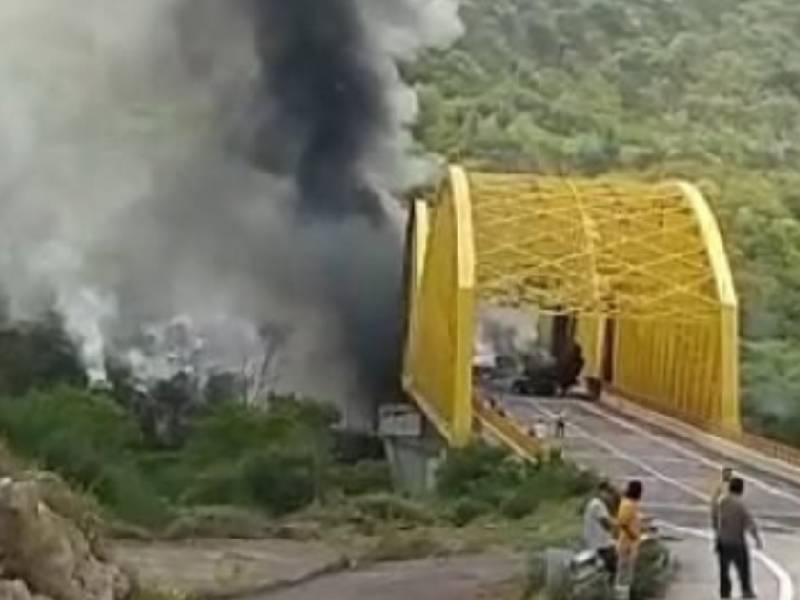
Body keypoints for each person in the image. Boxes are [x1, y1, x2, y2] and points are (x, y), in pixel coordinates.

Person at [713, 477, 762, 599]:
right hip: (737, 542)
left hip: (723, 541)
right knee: (744, 568)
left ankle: (725, 593)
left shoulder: (722, 502)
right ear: (741, 489)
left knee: (724, 570)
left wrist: (717, 537)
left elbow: (716, 518)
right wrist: (757, 539)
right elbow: (750, 523)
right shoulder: (741, 505)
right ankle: (746, 590)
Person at [583, 480, 618, 583]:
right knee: (616, 563)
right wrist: (618, 525)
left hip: (597, 540)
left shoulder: (595, 503)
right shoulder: (598, 505)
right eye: (608, 493)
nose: (609, 496)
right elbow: (606, 523)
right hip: (600, 543)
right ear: (602, 491)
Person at [615, 480, 644, 600]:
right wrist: (632, 535)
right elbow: (622, 523)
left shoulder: (633, 504)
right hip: (626, 544)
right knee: (623, 572)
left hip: (631, 544)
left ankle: (626, 595)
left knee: (628, 573)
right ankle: (620, 596)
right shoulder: (627, 504)